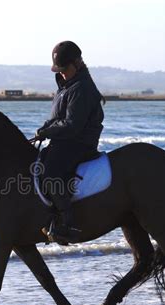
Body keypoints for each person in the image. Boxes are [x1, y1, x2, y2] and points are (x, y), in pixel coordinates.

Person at [36, 40, 105, 244]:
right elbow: (58, 117)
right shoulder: (66, 86)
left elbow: (72, 124)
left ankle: (67, 222)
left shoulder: (82, 88)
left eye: (65, 69)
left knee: (50, 173)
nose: (62, 73)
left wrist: (48, 131)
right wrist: (45, 128)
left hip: (79, 142)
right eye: (60, 69)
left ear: (77, 63)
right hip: (65, 141)